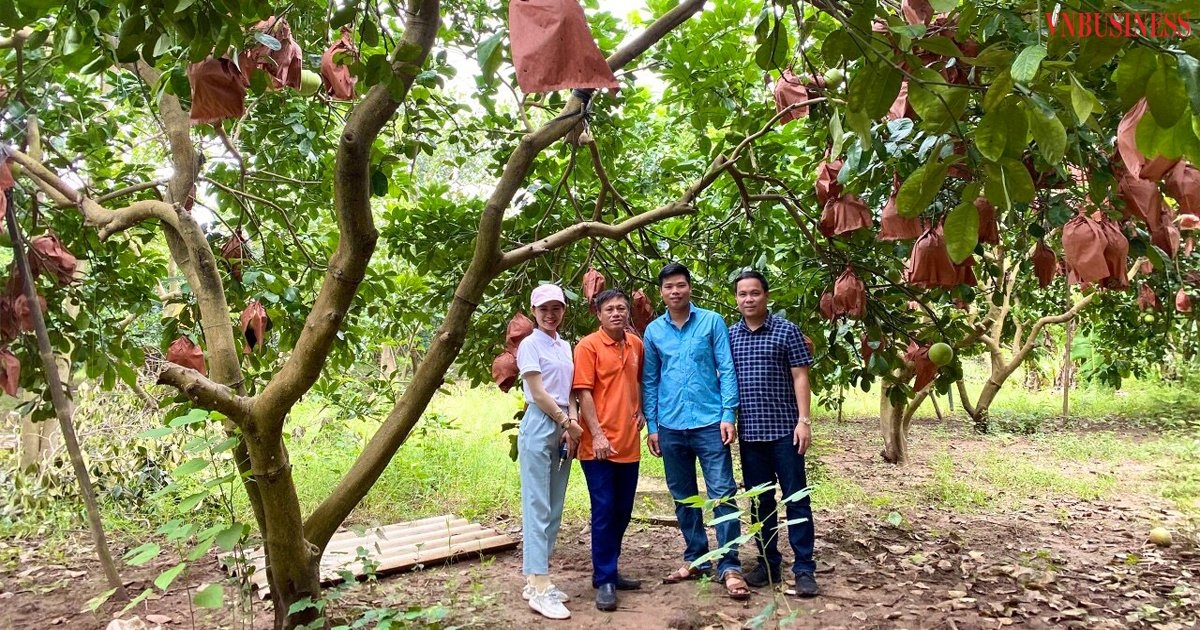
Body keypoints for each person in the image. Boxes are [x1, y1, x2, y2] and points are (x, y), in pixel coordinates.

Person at [641, 263, 749, 600]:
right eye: (669, 287)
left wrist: (728, 414)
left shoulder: (711, 321)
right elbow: (650, 380)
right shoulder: (654, 331)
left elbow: (727, 368)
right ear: (661, 292)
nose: (675, 292)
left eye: (681, 285)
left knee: (722, 492)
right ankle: (697, 557)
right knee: (683, 496)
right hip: (671, 426)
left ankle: (729, 565)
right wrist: (654, 426)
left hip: (708, 422)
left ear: (690, 288)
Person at [727, 270, 819, 597]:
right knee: (761, 503)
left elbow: (800, 377)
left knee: (796, 499)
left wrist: (804, 421)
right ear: (736, 299)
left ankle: (805, 569)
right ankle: (768, 563)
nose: (748, 299)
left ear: (766, 295)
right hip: (751, 435)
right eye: (742, 294)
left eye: (754, 293)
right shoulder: (730, 335)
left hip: (785, 432)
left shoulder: (786, 331)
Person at [572, 288, 646, 611]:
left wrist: (640, 408)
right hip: (597, 446)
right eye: (610, 309)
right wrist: (598, 434)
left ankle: (609, 568)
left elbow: (638, 381)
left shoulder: (636, 345)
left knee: (623, 510)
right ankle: (605, 579)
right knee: (603, 510)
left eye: (621, 308)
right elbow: (584, 393)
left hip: (628, 442)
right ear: (599, 314)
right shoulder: (588, 346)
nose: (616, 313)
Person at [516, 284, 584, 619]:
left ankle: (536, 579)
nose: (550, 314)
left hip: (564, 426)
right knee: (537, 505)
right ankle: (539, 587)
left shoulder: (564, 345)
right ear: (533, 311)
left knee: (555, 505)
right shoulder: (529, 344)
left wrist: (571, 422)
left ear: (563, 311)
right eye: (544, 309)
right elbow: (538, 391)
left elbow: (569, 390)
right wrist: (563, 420)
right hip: (540, 422)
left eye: (556, 308)